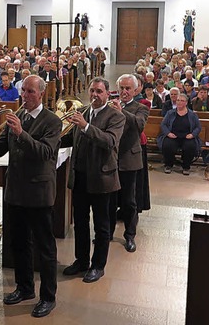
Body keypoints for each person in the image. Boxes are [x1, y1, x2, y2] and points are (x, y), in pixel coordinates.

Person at [0, 75, 61, 318]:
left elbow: (46, 153)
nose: (24, 96)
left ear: (41, 94)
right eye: (23, 91)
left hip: (38, 192)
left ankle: (48, 296)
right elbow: (0, 147)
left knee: (44, 247)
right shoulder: (19, 117)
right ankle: (25, 288)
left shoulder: (52, 121)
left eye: (30, 92)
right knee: (19, 242)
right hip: (15, 190)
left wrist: (22, 133)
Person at [61, 77, 125, 284]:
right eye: (92, 91)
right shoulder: (84, 112)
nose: (95, 95)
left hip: (102, 179)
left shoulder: (115, 116)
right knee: (80, 222)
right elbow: (71, 138)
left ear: (107, 94)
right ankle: (81, 261)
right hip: (80, 177)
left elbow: (110, 142)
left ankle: (98, 266)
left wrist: (86, 126)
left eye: (99, 91)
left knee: (101, 225)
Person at [109, 74, 149, 254]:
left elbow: (139, 125)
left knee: (129, 200)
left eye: (127, 89)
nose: (124, 92)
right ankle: (107, 233)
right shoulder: (110, 105)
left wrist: (121, 111)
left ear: (135, 90)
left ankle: (130, 235)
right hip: (111, 158)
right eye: (121, 88)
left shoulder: (140, 107)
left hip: (129, 159)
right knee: (109, 199)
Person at [157, 94, 202, 175]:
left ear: (186, 103)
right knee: (167, 145)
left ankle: (186, 166)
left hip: (187, 136)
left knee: (190, 146)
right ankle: (168, 165)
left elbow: (198, 127)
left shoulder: (192, 115)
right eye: (178, 100)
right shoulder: (170, 113)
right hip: (173, 136)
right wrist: (168, 133)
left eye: (182, 101)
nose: (179, 102)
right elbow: (163, 125)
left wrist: (192, 135)